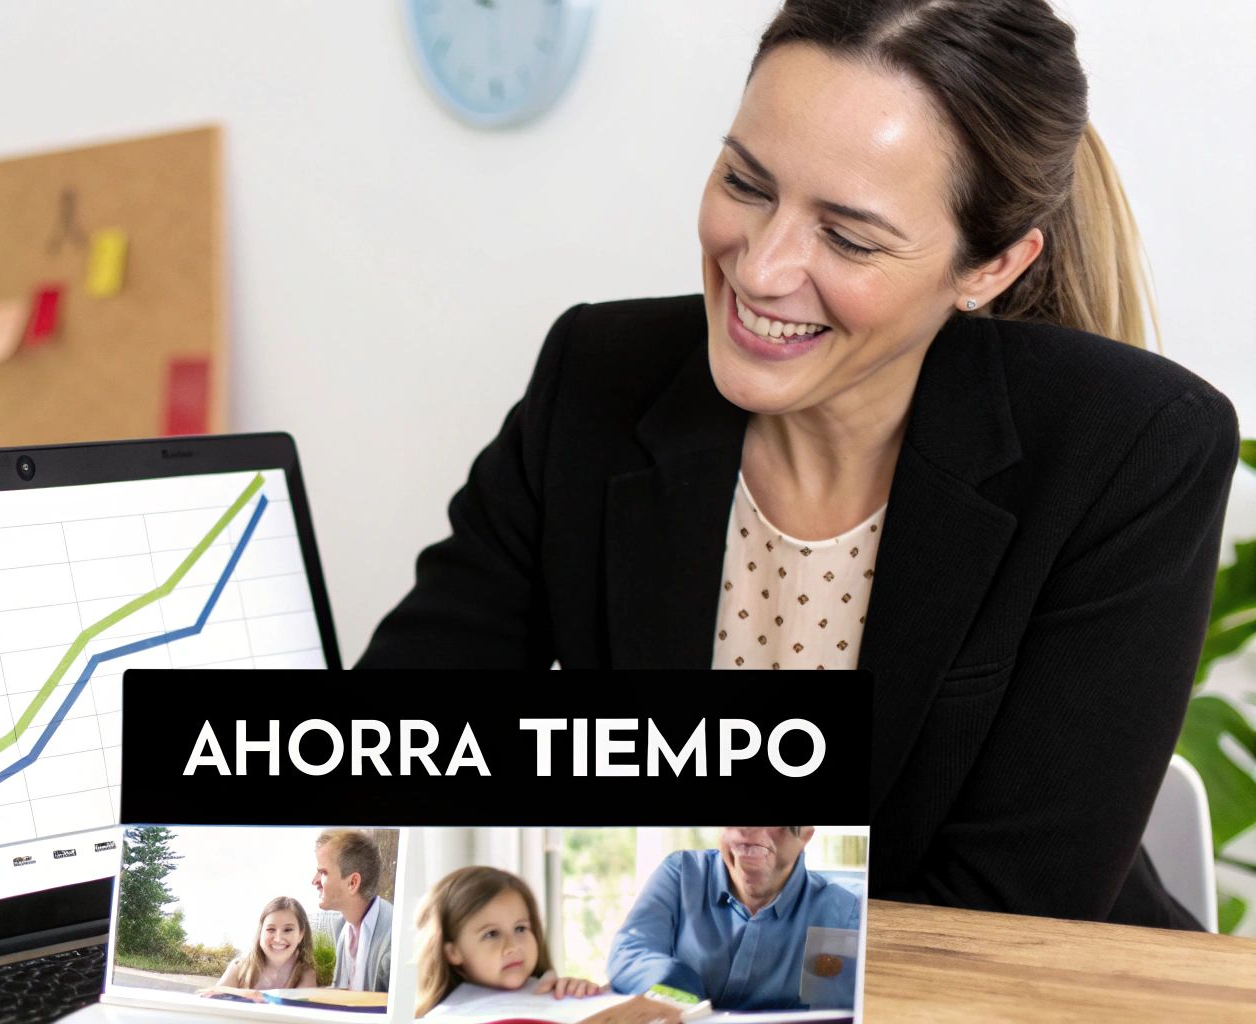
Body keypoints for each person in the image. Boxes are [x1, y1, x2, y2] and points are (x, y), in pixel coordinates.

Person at [357, 0, 1240, 931]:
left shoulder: (1133, 449)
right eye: (745, 181)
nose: (763, 267)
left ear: (989, 269)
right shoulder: (596, 379)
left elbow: (1000, 922)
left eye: (849, 237)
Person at [608, 828, 860, 1010]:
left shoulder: (846, 910)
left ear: (805, 834)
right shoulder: (682, 873)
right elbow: (630, 951)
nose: (746, 829)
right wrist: (681, 991)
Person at [415, 866, 606, 1017]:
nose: (512, 946)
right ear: (453, 952)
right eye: (491, 934)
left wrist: (582, 995)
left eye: (520, 929)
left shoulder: (558, 992)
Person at [312, 829, 394, 992]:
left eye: (323, 872)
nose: (315, 881)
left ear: (352, 883)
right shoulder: (341, 928)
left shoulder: (393, 940)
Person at [197, 896, 320, 1002]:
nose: (278, 938)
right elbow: (207, 997)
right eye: (270, 929)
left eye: (288, 930)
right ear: (260, 932)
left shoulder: (306, 974)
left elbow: (297, 1014)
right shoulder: (239, 967)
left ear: (301, 935)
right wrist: (248, 995)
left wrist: (251, 995)